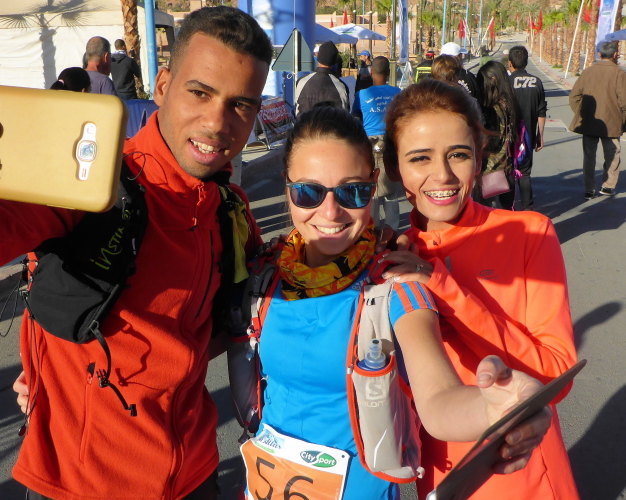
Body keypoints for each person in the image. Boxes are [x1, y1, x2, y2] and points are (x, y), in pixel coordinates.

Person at [0, 6, 272, 500]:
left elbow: (231, 325)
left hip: (195, 475)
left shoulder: (230, 208)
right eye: (200, 92)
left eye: (241, 104)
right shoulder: (92, 183)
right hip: (82, 486)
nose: (217, 122)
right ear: (163, 86)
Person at [238, 106, 551, 499]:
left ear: (374, 186)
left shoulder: (394, 284)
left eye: (352, 191)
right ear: (287, 188)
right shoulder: (266, 275)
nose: (330, 212)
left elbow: (438, 400)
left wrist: (496, 408)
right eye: (308, 192)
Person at [380, 80, 580, 499]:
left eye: (458, 154)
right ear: (395, 169)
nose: (443, 175)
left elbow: (556, 378)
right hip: (436, 473)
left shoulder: (528, 233)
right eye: (420, 158)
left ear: (479, 156)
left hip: (525, 477)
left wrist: (443, 287)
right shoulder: (389, 257)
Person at [569, 41, 626, 198]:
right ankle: (608, 186)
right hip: (612, 123)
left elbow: (574, 96)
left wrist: (582, 113)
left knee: (589, 156)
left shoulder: (588, 72)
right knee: (613, 154)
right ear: (615, 54)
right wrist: (623, 119)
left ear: (599, 54)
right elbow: (624, 101)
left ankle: (589, 188)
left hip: (589, 122)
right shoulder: (619, 73)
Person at [352, 56, 403, 229]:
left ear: (371, 71)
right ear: (389, 73)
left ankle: (372, 230)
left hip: (369, 144)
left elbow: (355, 116)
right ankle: (392, 231)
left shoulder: (361, 95)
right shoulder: (398, 93)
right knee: (391, 191)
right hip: (390, 143)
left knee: (372, 188)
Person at [474, 60, 521, 209]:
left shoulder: (494, 109)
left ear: (493, 80)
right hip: (506, 166)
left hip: (491, 169)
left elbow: (492, 140)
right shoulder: (509, 102)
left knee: (482, 211)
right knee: (505, 210)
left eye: (482, 82)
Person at [508, 45, 547, 210]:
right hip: (528, 136)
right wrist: (540, 135)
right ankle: (527, 208)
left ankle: (508, 207)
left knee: (508, 171)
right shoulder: (536, 82)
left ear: (510, 63)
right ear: (526, 62)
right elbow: (541, 112)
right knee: (525, 173)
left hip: (508, 135)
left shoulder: (507, 82)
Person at [294, 40, 350, 116]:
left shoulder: (302, 81)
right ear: (334, 62)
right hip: (329, 123)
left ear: (318, 58)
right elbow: (344, 114)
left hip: (305, 123)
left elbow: (297, 107)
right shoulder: (341, 86)